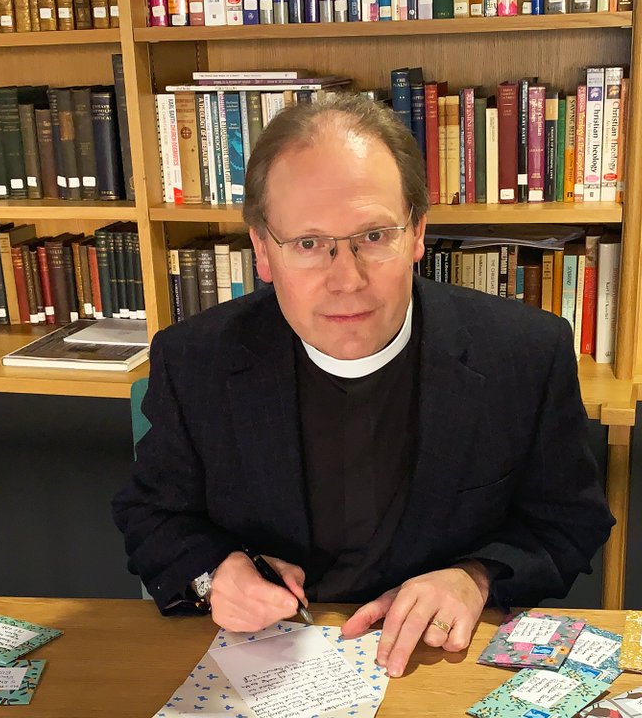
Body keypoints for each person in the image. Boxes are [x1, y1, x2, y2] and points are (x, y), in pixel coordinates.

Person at [112, 93, 614, 676]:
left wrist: (474, 575)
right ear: (262, 251)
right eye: (308, 244)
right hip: (261, 671)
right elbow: (151, 516)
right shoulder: (193, 359)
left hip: (440, 666)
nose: (346, 280)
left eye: (374, 236)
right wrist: (214, 574)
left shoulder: (525, 353)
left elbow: (569, 522)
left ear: (418, 233)